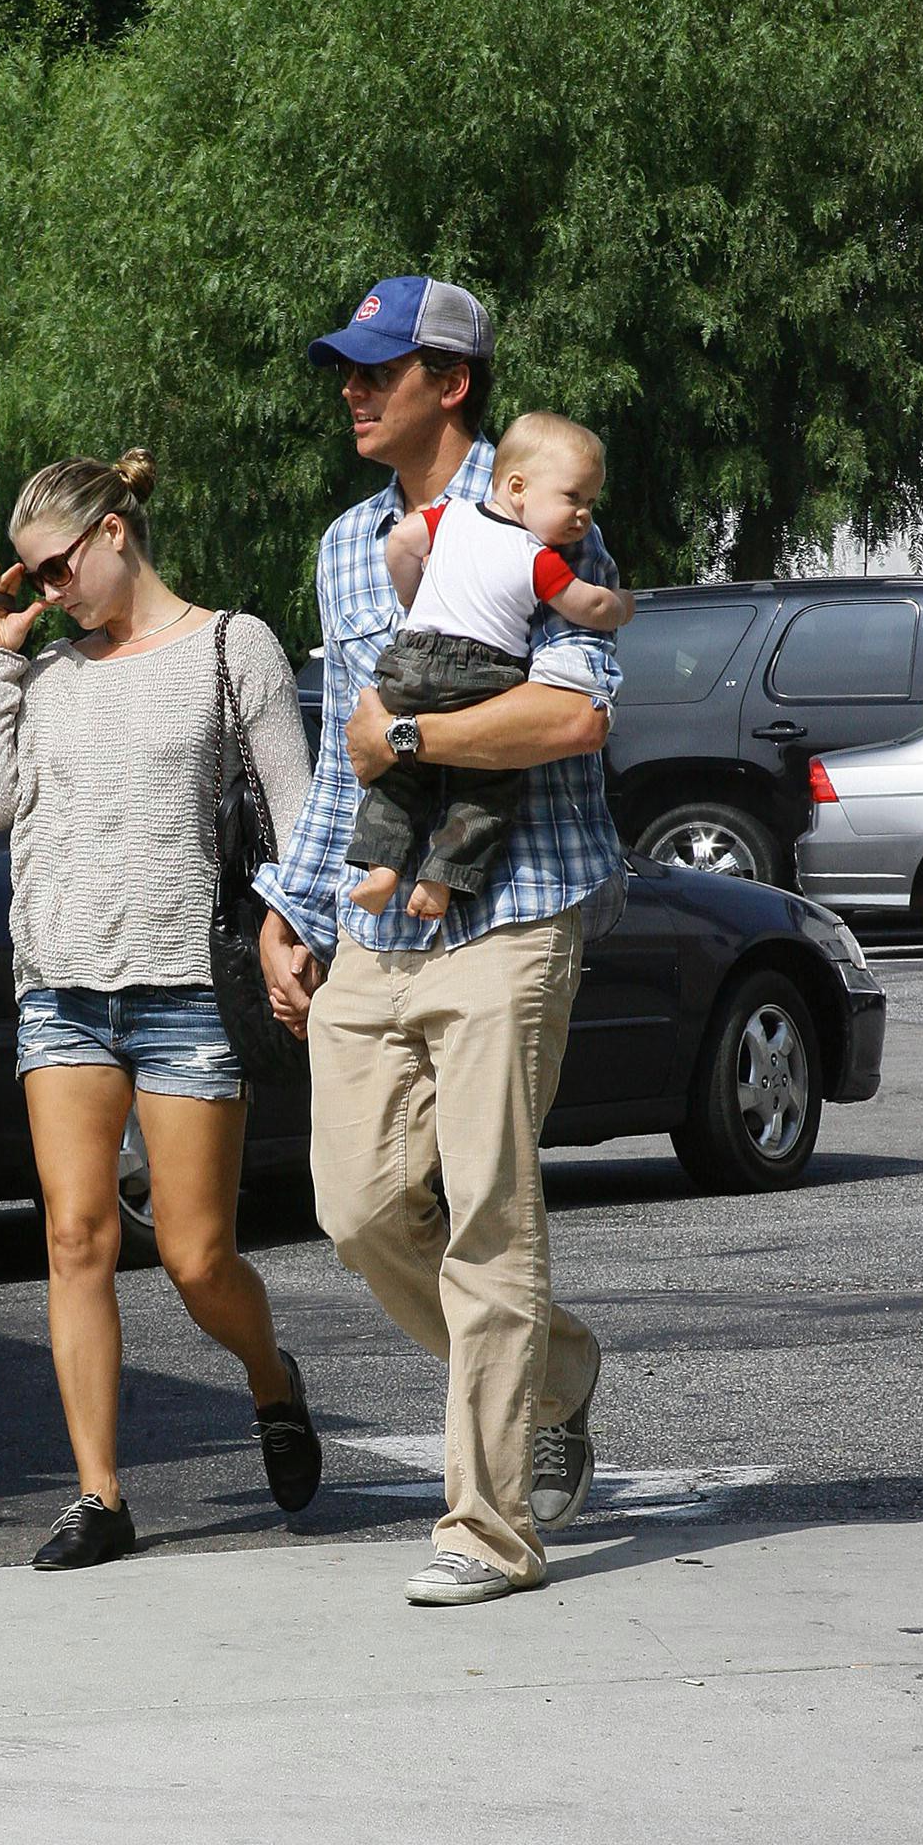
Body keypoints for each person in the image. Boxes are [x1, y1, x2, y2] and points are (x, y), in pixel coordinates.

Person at [257, 278, 627, 1609]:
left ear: (448, 381)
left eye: (377, 370)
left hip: (513, 907)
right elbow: (341, 745)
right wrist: (292, 910)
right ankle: (557, 1371)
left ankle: (486, 1527)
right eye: (344, 373)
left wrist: (409, 738)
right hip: (375, 924)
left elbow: (569, 720)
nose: (352, 392)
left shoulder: (545, 506)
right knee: (353, 1208)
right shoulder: (347, 541)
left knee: (485, 1218)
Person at [0, 448, 322, 1571]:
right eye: (29, 577)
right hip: (58, 985)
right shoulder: (47, 671)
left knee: (198, 1256)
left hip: (182, 987)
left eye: (56, 569)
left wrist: (289, 927)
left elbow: (298, 811)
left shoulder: (231, 645)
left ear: (116, 532)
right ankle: (100, 1495)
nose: (48, 593)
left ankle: (272, 1378)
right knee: (75, 1237)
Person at [348, 411, 633, 919]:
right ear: (518, 487)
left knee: (395, 780)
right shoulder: (536, 556)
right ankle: (441, 879)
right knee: (486, 784)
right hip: (484, 674)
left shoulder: (448, 516)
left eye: (590, 503)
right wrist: (623, 604)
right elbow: (586, 606)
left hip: (410, 658)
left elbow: (400, 544)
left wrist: (413, 602)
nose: (584, 516)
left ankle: (381, 868)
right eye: (573, 498)